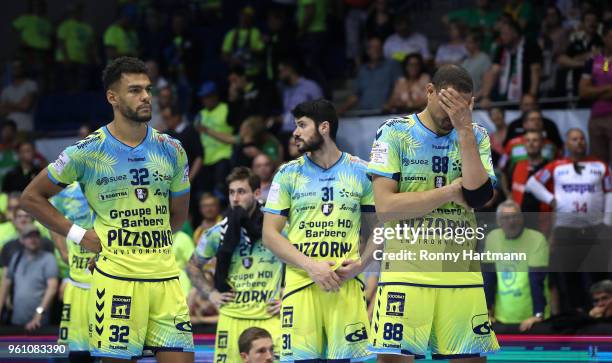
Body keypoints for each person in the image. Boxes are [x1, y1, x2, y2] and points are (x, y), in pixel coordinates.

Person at [20, 57, 194, 362]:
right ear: (112, 97)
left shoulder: (172, 149)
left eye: (148, 89)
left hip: (166, 279)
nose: (146, 97)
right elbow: (31, 198)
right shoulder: (86, 152)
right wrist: (80, 235)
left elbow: (178, 216)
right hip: (116, 281)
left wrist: (148, 244)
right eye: (135, 90)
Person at [367, 64, 499, 361]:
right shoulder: (394, 132)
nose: (450, 118)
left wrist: (463, 129)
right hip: (405, 273)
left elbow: (479, 196)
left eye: (459, 110)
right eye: (446, 108)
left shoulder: (475, 134)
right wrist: (451, 192)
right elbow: (386, 207)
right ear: (429, 92)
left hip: (460, 273)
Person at [263, 99, 376, 361]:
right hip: (301, 286)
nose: (295, 132)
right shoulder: (287, 174)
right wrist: (311, 266)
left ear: (324, 127)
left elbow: (379, 231)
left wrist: (360, 265)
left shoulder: (362, 171)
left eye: (302, 125)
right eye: (295, 126)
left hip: (344, 286)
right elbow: (269, 235)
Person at [189, 167, 282, 363]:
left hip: (269, 316)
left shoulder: (277, 229)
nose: (235, 198)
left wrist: (289, 296)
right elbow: (192, 266)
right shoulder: (217, 233)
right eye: (231, 192)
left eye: (241, 191)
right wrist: (211, 293)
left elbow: (304, 260)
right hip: (231, 317)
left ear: (257, 193)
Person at [526, 128, 612, 312]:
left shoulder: (600, 166)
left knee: (600, 275)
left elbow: (610, 192)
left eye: (582, 139)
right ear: (567, 143)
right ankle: (577, 314)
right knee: (569, 276)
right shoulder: (557, 166)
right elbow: (532, 183)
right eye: (574, 139)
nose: (579, 142)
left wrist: (607, 222)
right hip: (566, 230)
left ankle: (604, 315)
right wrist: (551, 200)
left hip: (595, 229)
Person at [483, 200, 549, 331]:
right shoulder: (492, 238)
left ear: (522, 218)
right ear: (498, 222)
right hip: (502, 316)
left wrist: (538, 314)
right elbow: (488, 277)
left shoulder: (536, 239)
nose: (511, 221)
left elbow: (537, 279)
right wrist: (487, 310)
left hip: (531, 317)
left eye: (515, 216)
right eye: (506, 218)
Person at [50, 182, 95, 360]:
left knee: (110, 353)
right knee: (77, 355)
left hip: (107, 286)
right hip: (77, 287)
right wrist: (63, 251)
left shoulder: (111, 181)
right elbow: (49, 214)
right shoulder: (66, 191)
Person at [0, 224, 58, 331]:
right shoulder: (16, 257)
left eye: (36, 235)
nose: (33, 239)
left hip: (40, 322)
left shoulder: (48, 259)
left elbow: (52, 288)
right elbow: (6, 284)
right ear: (22, 240)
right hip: (16, 321)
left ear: (40, 239)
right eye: (28, 236)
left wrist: (39, 314)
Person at [480, 18, 542, 105]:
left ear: (515, 33)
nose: (502, 37)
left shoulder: (530, 45)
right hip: (503, 97)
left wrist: (532, 95)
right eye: (501, 34)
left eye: (505, 34)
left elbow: (535, 70)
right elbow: (493, 72)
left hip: (525, 98)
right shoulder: (501, 49)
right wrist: (485, 97)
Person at [338, 36, 402, 115]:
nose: (376, 49)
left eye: (378, 47)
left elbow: (399, 87)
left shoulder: (392, 65)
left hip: (385, 115)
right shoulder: (362, 70)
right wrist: (342, 109)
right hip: (365, 114)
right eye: (372, 47)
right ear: (368, 51)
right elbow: (356, 95)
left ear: (382, 49)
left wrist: (389, 104)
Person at [579, 20, 612, 166]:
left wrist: (595, 92)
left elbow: (590, 91)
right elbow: (583, 92)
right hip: (596, 119)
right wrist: (608, 89)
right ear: (604, 37)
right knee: (598, 164)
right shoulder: (593, 62)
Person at [195, 81, 233, 200]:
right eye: (203, 97)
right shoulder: (201, 114)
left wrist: (207, 130)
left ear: (215, 95)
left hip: (223, 155)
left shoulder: (226, 109)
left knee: (221, 193)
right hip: (207, 159)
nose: (205, 100)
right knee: (205, 195)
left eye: (208, 96)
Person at [222, 6, 264, 77]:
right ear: (239, 16)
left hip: (253, 72)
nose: (245, 18)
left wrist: (249, 51)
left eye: (248, 16)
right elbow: (224, 54)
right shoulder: (231, 33)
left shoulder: (256, 32)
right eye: (243, 15)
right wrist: (232, 60)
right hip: (236, 74)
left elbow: (262, 51)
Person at [0, 61, 38, 132]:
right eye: (14, 67)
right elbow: (1, 111)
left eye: (18, 67)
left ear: (23, 68)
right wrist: (19, 104)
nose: (16, 69)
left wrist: (7, 104)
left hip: (24, 125)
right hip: (8, 128)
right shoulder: (6, 90)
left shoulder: (30, 84)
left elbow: (25, 106)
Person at [462, 29, 492, 96]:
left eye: (469, 42)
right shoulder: (466, 61)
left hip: (477, 103)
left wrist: (474, 98)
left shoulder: (484, 59)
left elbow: (486, 85)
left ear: (477, 43)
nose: (466, 45)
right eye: (465, 42)